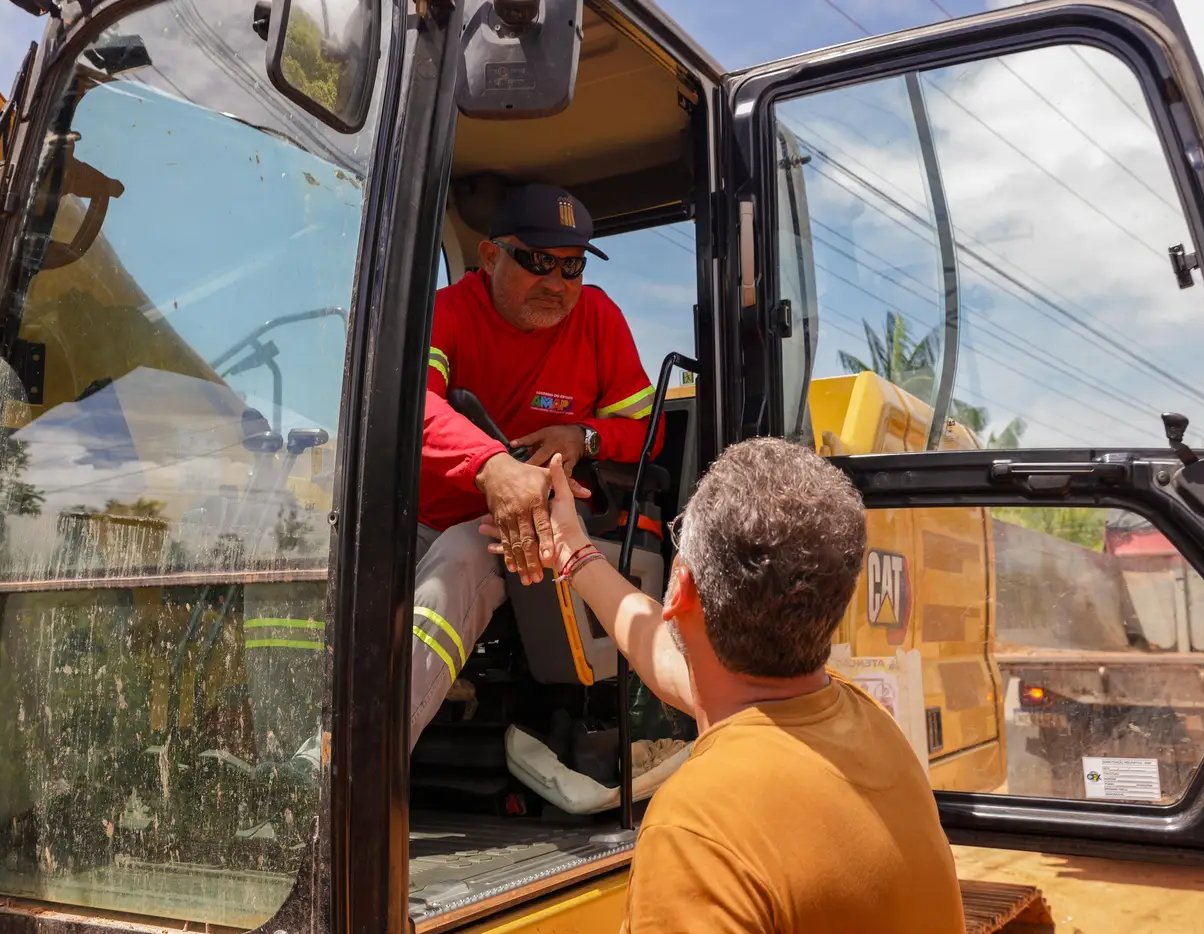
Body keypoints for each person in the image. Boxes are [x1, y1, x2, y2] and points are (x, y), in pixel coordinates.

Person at [484, 438, 965, 934]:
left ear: (680, 587)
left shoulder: (698, 827)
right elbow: (665, 654)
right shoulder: (867, 722)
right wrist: (574, 552)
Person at [410, 183, 664, 746]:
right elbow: (412, 402)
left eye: (572, 267)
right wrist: (492, 466)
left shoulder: (598, 318)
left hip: (527, 526)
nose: (558, 283)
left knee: (460, 560)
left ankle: (350, 768)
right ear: (490, 256)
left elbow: (648, 429)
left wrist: (584, 436)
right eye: (539, 262)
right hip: (428, 512)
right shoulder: (448, 312)